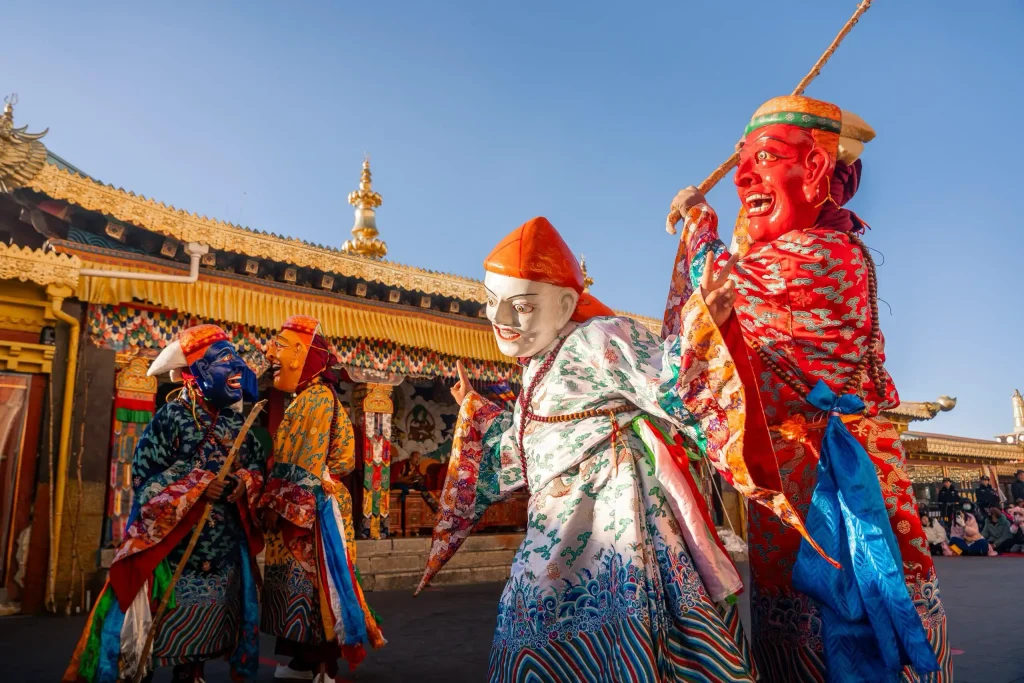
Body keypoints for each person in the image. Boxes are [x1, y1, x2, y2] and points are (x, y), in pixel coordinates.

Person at [666, 96, 947, 682]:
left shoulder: (818, 254)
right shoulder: (818, 248)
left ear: (816, 172)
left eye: (765, 158)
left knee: (850, 615)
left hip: (832, 473)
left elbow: (720, 282)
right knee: (797, 628)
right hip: (799, 471)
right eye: (743, 161)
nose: (743, 177)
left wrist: (698, 218)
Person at [418, 216, 760, 681]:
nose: (499, 320)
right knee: (530, 614)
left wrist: (703, 330)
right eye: (491, 302)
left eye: (519, 305)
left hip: (614, 512)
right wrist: (475, 415)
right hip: (553, 519)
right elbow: (524, 453)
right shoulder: (533, 370)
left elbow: (673, 387)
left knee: (618, 620)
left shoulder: (601, 337)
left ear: (564, 304)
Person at [64, 325, 266, 683]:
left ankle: (194, 673)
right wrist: (198, 484)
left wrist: (241, 484)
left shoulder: (239, 423)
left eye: (237, 360)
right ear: (197, 372)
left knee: (211, 629)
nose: (237, 368)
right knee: (163, 626)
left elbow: (255, 469)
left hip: (223, 549)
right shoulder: (170, 419)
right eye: (225, 360)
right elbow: (144, 479)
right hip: (177, 550)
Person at [259, 315, 384, 683]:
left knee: (316, 586)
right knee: (296, 583)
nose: (271, 352)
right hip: (301, 505)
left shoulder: (316, 400)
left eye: (280, 345)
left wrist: (273, 501)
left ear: (302, 354)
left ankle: (322, 665)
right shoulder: (304, 399)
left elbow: (306, 465)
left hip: (312, 509)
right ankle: (300, 659)